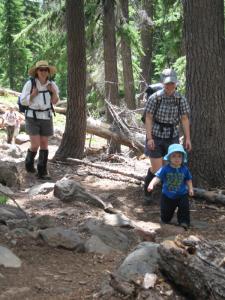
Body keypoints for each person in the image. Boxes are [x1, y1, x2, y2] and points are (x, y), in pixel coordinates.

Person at [144, 68, 191, 204]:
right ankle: (147, 192)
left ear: (176, 83)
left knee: (171, 166)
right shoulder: (155, 98)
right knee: (157, 169)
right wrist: (149, 138)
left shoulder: (180, 99)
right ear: (162, 83)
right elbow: (148, 117)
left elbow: (184, 119)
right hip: (156, 136)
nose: (169, 86)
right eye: (167, 83)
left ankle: (167, 196)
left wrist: (187, 138)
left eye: (172, 83)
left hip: (172, 137)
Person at [20, 60, 59, 179]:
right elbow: (22, 101)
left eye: (45, 70)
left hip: (46, 117)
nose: (43, 72)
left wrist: (53, 92)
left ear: (48, 72)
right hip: (32, 117)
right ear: (37, 71)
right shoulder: (30, 83)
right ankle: (29, 164)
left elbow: (55, 101)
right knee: (35, 144)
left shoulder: (52, 85)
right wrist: (32, 95)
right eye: (41, 70)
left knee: (44, 144)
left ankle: (42, 171)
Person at [147, 143, 194, 229]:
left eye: (179, 156)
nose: (177, 158)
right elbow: (158, 177)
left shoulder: (184, 169)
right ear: (169, 158)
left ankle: (184, 222)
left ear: (183, 158)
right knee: (166, 214)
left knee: (184, 208)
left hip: (182, 194)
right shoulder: (165, 168)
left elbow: (188, 179)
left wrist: (190, 189)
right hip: (167, 195)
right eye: (174, 156)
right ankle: (165, 219)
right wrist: (151, 184)